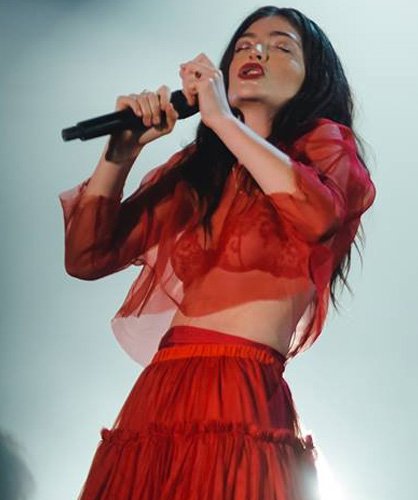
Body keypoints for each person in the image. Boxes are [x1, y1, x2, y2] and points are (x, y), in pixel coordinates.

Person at [59, 6, 375, 498]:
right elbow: (87, 257)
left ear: (314, 79)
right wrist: (119, 155)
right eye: (245, 44)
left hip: (240, 389)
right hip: (160, 391)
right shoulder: (200, 170)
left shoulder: (327, 147)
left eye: (282, 46)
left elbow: (318, 216)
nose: (257, 51)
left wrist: (223, 121)